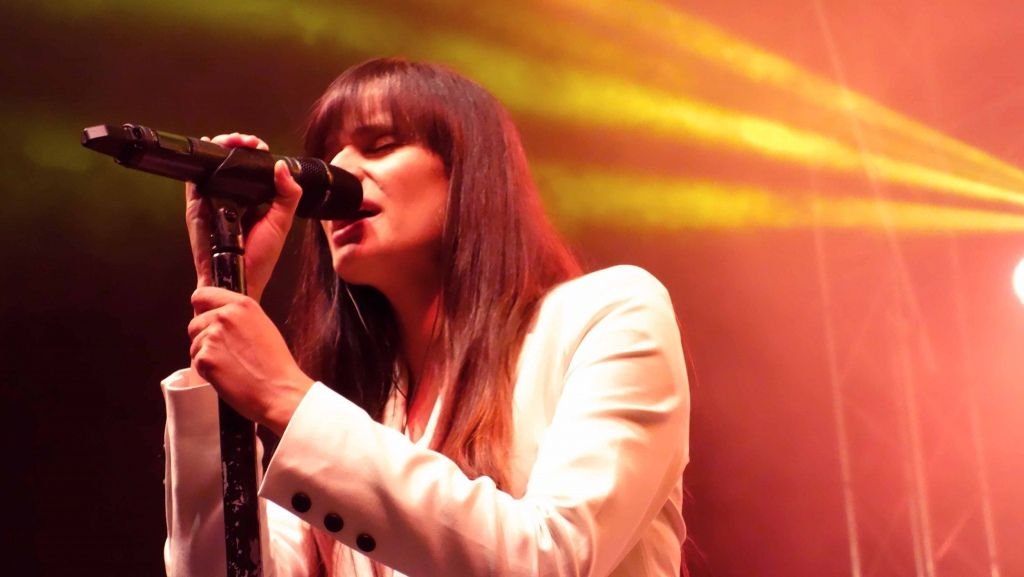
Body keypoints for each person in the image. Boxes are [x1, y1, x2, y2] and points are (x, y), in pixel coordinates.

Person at [162, 57, 690, 577]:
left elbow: (551, 560)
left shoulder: (608, 315)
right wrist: (226, 292)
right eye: (328, 155)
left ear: (467, 172)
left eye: (380, 145)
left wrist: (284, 396)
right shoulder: (357, 409)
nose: (338, 171)